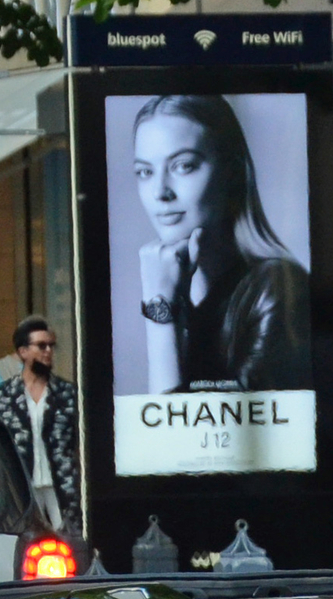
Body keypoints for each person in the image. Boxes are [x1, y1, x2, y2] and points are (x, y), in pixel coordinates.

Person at [131, 94, 312, 393]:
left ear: (231, 171)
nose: (160, 192)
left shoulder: (277, 288)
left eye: (183, 166)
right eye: (145, 172)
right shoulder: (190, 294)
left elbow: (173, 433)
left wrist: (159, 311)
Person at [0, 316, 80, 533]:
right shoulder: (5, 395)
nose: (48, 351)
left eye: (51, 346)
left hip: (61, 482)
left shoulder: (67, 393)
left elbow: (79, 440)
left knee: (70, 539)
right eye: (41, 346)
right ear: (23, 352)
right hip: (22, 483)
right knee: (27, 539)